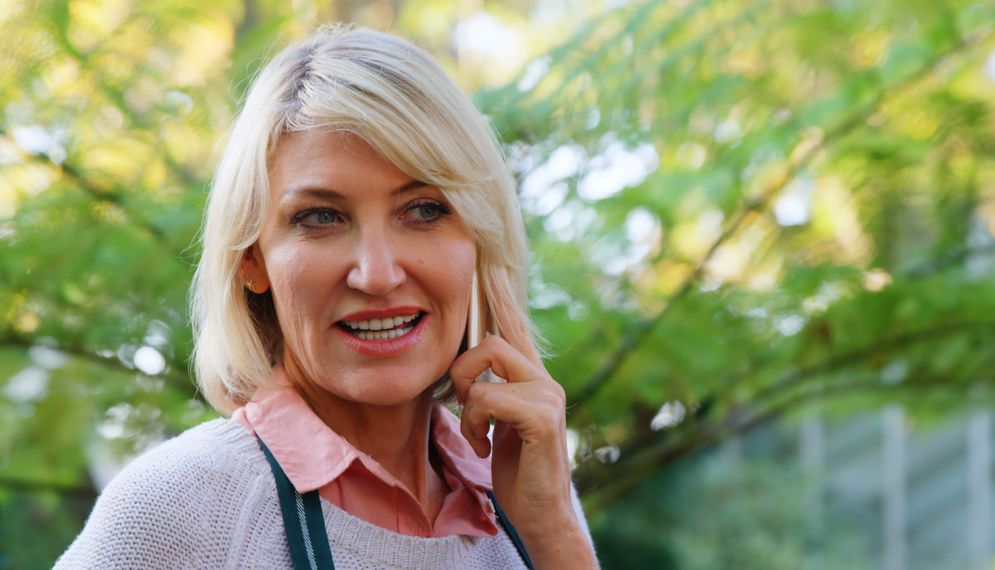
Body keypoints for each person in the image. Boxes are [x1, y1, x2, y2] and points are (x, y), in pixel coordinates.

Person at [56, 24, 597, 569]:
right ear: (252, 259)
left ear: (480, 240)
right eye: (320, 217)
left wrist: (553, 534)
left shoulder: (528, 494)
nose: (378, 274)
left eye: (425, 210)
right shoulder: (177, 511)